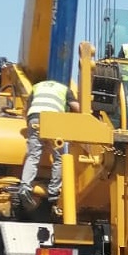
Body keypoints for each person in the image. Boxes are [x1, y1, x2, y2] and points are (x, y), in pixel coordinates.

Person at [17, 78, 80, 215]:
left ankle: (25, 186)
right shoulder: (64, 89)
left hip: (33, 118)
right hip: (53, 119)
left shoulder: (37, 86)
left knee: (33, 155)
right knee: (60, 156)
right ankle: (53, 191)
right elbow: (77, 108)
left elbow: (28, 107)